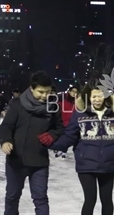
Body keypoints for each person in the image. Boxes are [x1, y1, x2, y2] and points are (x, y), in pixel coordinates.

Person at [39, 80, 114, 215]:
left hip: (108, 164)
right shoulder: (80, 115)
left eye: (100, 95)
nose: (97, 99)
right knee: (90, 199)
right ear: (89, 97)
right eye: (94, 96)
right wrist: (50, 142)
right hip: (86, 165)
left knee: (107, 200)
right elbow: (68, 137)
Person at [0, 71, 65, 215]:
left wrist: (52, 135)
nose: (44, 96)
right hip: (16, 160)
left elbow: (60, 127)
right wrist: (6, 141)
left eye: (47, 92)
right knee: (12, 197)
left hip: (39, 161)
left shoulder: (53, 106)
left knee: (40, 198)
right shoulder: (18, 105)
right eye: (40, 92)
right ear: (31, 89)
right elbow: (6, 126)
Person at [54, 86, 78, 159]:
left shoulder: (77, 101)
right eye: (73, 91)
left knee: (68, 137)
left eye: (76, 92)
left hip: (71, 122)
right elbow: (58, 107)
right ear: (69, 92)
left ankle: (64, 151)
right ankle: (60, 149)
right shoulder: (63, 98)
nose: (74, 93)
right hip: (62, 120)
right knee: (61, 136)